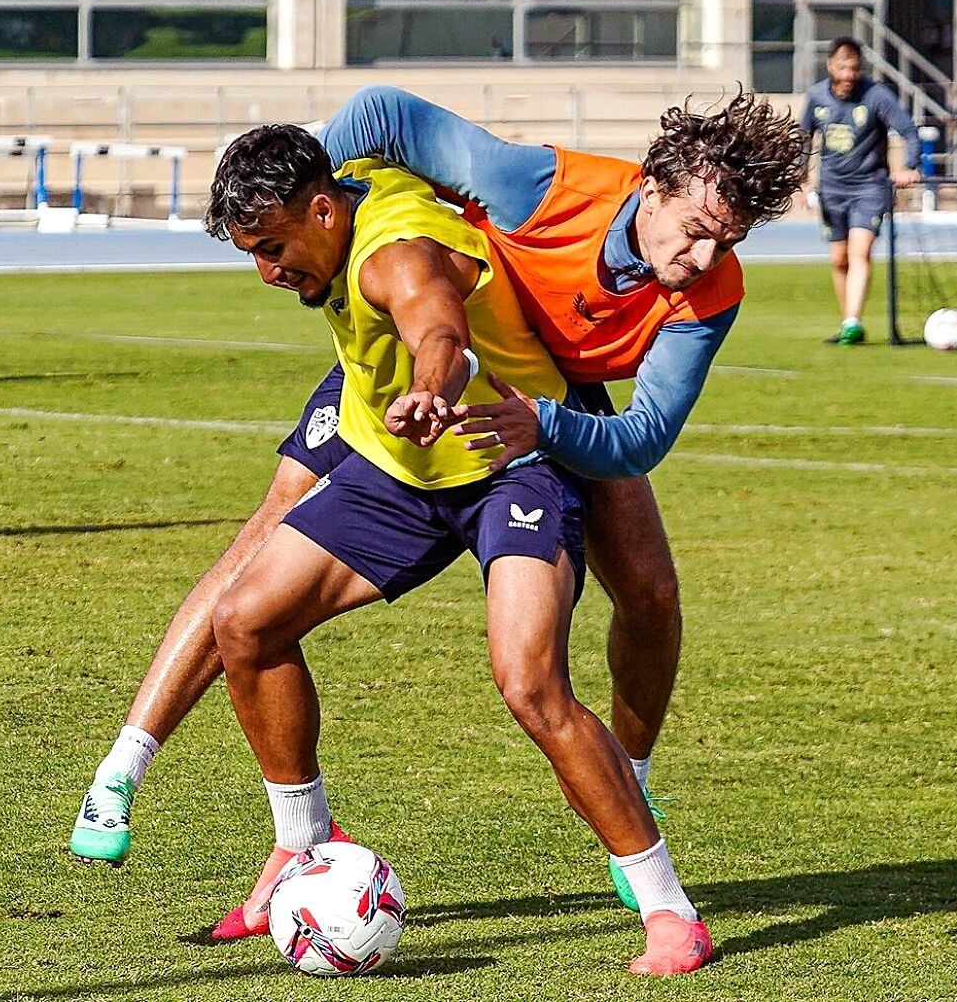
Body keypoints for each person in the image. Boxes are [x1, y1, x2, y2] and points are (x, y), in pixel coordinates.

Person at [70, 87, 807, 924]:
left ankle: (625, 786)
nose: (707, 257)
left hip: (537, 405)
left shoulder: (710, 293)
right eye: (699, 231)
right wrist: (321, 186)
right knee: (260, 564)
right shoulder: (536, 186)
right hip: (420, 378)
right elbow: (384, 116)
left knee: (649, 594)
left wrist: (538, 418)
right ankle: (151, 779)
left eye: (730, 240)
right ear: (657, 186)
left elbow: (640, 436)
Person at [206, 127, 713, 976]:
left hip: (509, 464)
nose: (267, 271)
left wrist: (428, 391)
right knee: (246, 622)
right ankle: (302, 844)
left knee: (529, 681)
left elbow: (439, 330)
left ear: (324, 212)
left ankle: (668, 908)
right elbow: (375, 112)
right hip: (403, 472)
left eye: (272, 247)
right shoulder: (351, 184)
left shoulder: (393, 257)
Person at [799, 37, 922, 345]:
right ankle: (848, 323)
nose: (847, 76)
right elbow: (802, 139)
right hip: (831, 190)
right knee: (839, 259)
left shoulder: (877, 95)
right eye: (842, 68)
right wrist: (800, 181)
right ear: (830, 66)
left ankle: (853, 321)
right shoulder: (816, 97)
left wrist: (909, 165)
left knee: (859, 252)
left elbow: (908, 131)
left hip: (870, 188)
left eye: (853, 69)